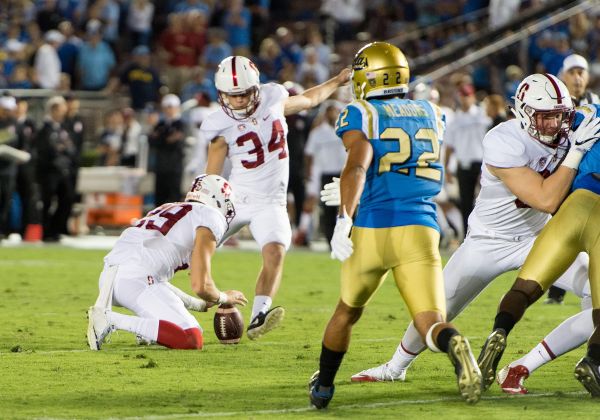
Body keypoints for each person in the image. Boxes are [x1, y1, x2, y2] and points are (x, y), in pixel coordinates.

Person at [324, 74, 595, 390]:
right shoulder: (502, 140)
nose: (553, 124)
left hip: (541, 238)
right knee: (436, 312)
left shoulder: (573, 127)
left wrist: (588, 117)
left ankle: (523, 365)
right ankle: (395, 366)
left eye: (560, 114)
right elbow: (546, 199)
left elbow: (590, 115)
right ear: (522, 111)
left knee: (598, 297)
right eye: (545, 115)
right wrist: (577, 151)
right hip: (487, 242)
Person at [308, 42, 482, 409]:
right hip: (421, 227)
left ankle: (323, 386)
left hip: (373, 227)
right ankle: (454, 344)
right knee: (430, 323)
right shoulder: (434, 112)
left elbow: (359, 163)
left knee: (347, 312)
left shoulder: (361, 112)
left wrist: (344, 215)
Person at [201, 55, 350, 340]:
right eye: (231, 96)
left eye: (244, 93)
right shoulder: (218, 123)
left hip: (270, 202)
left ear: (256, 88)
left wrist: (337, 80)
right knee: (185, 250)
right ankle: (161, 308)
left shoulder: (273, 98)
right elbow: (212, 174)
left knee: (276, 251)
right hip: (236, 197)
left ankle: (259, 316)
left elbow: (308, 99)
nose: (238, 101)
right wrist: (203, 206)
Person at [478, 103, 600, 396]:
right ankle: (594, 362)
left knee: (525, 287)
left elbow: (555, 122)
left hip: (569, 210)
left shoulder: (589, 112)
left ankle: (499, 332)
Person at [87, 174, 248, 351]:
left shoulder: (168, 208)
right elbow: (201, 285)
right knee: (191, 338)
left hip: (110, 280)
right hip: (136, 282)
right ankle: (110, 320)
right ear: (219, 200)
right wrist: (224, 297)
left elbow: (156, 280)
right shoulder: (211, 217)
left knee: (175, 326)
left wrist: (198, 304)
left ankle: (147, 329)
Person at [545, 53, 599, 304]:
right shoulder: (550, 105)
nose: (577, 78)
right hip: (555, 182)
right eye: (572, 73)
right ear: (562, 76)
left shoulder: (596, 103)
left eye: (582, 73)